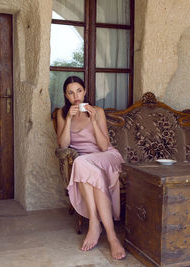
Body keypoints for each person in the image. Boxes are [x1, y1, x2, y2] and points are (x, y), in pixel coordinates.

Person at [56, 76, 126, 260]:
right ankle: (110, 236)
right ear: (66, 95)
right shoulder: (62, 114)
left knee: (81, 163)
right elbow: (63, 146)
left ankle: (96, 224)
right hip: (87, 163)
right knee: (86, 167)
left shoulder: (98, 111)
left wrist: (94, 120)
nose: (75, 96)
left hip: (107, 157)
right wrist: (69, 120)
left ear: (85, 91)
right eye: (70, 92)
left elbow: (104, 146)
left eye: (79, 90)